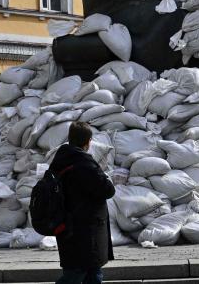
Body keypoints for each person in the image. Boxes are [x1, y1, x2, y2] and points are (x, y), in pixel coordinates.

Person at [50, 121, 116, 284]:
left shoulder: (61, 160)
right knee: (76, 274)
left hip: (68, 227)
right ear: (88, 142)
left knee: (90, 273)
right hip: (86, 231)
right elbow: (107, 190)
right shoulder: (84, 164)